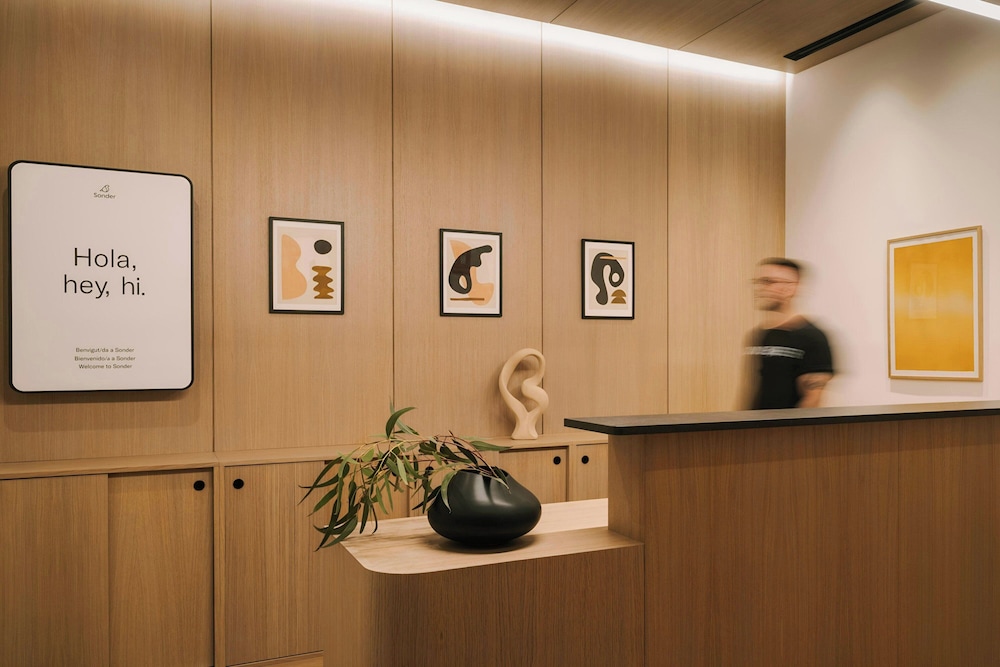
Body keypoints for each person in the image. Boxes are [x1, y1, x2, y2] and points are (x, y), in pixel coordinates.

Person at [742, 258, 833, 409]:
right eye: (757, 282)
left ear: (790, 288)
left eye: (767, 282)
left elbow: (812, 401)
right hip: (754, 424)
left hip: (787, 425)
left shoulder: (812, 337)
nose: (759, 288)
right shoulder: (760, 334)